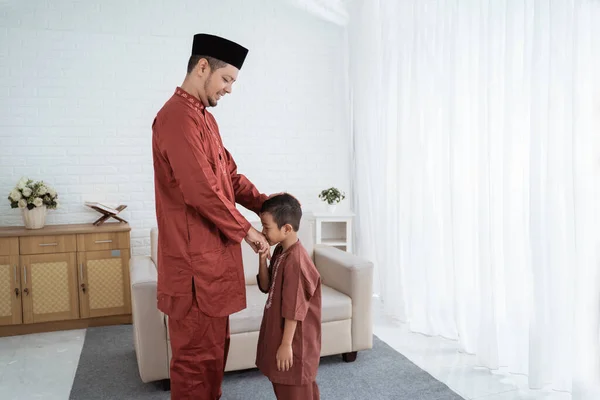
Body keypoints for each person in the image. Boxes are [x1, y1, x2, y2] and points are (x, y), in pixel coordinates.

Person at [152, 33, 272, 399]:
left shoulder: (205, 119)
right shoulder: (175, 118)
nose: (230, 89)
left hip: (214, 267)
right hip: (193, 274)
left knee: (214, 357)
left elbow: (229, 178)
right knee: (194, 363)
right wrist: (248, 231)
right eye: (227, 79)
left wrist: (269, 205)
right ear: (202, 67)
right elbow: (201, 191)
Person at [255, 194, 322, 400]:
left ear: (286, 229)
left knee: (295, 387)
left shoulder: (297, 261)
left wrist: (286, 345)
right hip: (281, 331)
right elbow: (266, 286)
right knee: (287, 385)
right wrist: (262, 257)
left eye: (267, 228)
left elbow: (294, 309)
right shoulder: (280, 251)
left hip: (295, 340)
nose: (263, 232)